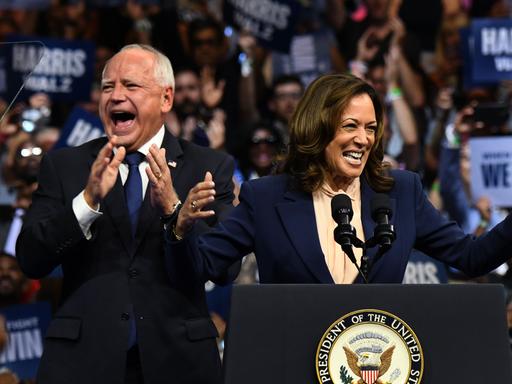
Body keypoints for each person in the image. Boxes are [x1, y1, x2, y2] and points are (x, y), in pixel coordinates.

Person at [15, 44, 235, 384]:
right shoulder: (65, 165)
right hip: (82, 362)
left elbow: (223, 268)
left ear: (165, 99)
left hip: (178, 362)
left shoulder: (208, 166)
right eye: (107, 87)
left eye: (131, 86)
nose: (116, 96)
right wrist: (86, 202)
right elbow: (31, 258)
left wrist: (175, 216)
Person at [168, 73, 512, 285]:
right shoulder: (266, 198)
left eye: (371, 128)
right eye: (350, 126)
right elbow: (205, 266)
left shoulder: (401, 192)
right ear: (317, 129)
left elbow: (472, 257)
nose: (363, 139)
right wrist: (178, 226)